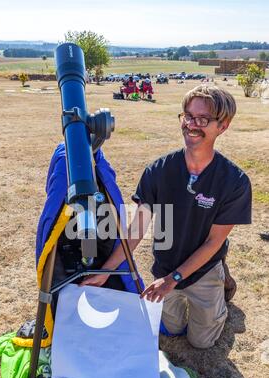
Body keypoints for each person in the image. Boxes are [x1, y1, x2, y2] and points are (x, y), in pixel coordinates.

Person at [81, 85, 252, 350]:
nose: (191, 125)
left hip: (204, 268)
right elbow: (137, 228)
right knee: (171, 329)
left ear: (223, 126)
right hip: (165, 266)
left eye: (203, 119)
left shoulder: (235, 181)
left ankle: (222, 288)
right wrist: (106, 271)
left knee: (201, 342)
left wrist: (173, 280)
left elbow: (213, 242)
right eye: (187, 116)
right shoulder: (159, 171)